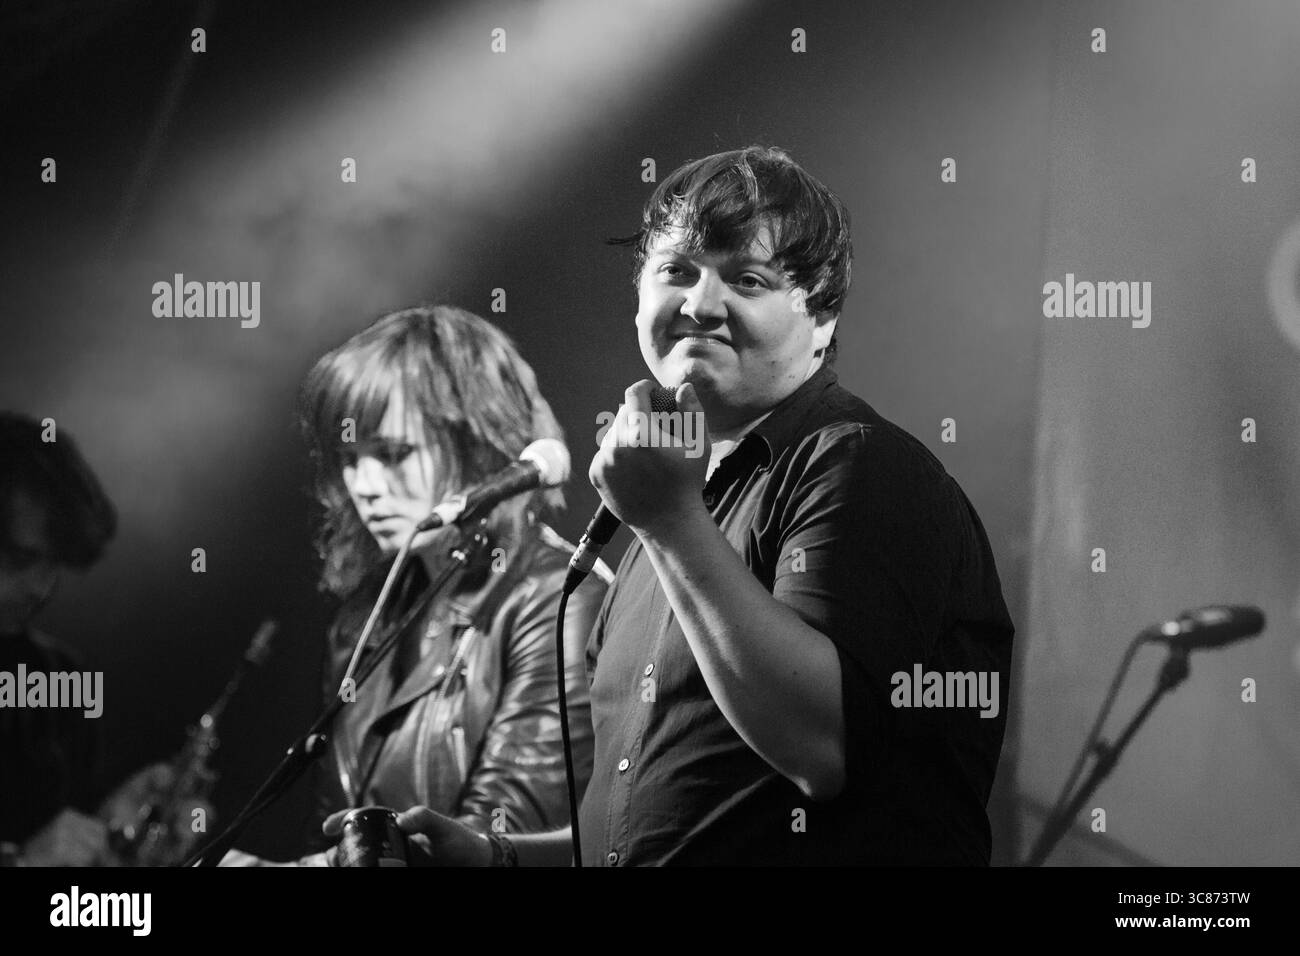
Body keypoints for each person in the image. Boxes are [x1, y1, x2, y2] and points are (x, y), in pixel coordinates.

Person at [364, 147, 1016, 866]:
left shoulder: (856, 465)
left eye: (748, 279)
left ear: (822, 320)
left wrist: (669, 522)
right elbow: (642, 835)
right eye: (677, 271)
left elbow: (822, 749)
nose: (702, 305)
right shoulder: (667, 521)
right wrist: (499, 858)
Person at [222, 305, 609, 866]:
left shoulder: (559, 598)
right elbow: (337, 830)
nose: (366, 486)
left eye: (394, 454)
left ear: (481, 441)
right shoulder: (364, 620)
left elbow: (496, 840)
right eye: (350, 459)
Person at [0, 412, 181, 866]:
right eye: (22, 558)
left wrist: (117, 834)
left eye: (55, 564)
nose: (42, 589)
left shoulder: (60, 675)